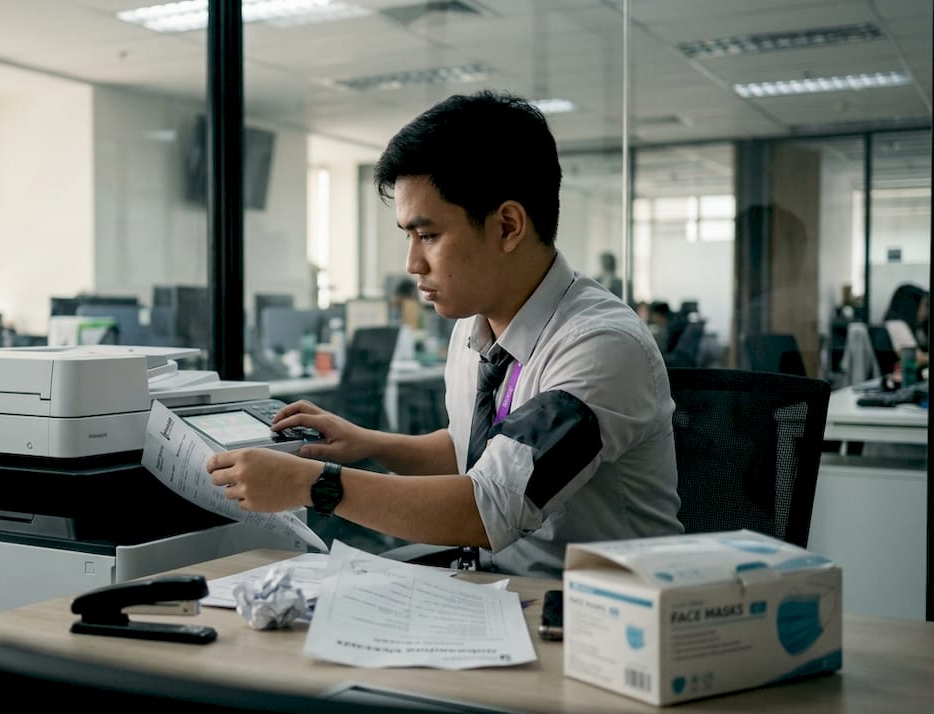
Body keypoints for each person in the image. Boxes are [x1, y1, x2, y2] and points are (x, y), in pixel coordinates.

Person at [205, 90, 682, 578]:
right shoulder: (473, 327)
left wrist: (316, 484)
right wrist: (368, 443)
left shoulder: (599, 345)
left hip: (597, 617)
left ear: (508, 226)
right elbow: (467, 455)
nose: (412, 263)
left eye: (428, 235)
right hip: (492, 592)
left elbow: (487, 505)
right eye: (408, 236)